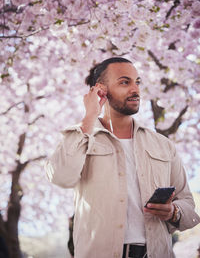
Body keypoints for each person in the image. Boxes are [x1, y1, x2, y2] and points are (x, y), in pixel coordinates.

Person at [45, 57, 200, 258]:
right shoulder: (81, 138)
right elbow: (60, 176)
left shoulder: (162, 145)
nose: (135, 90)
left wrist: (174, 212)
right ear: (100, 89)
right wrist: (89, 117)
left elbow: (188, 206)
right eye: (125, 82)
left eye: (137, 82)